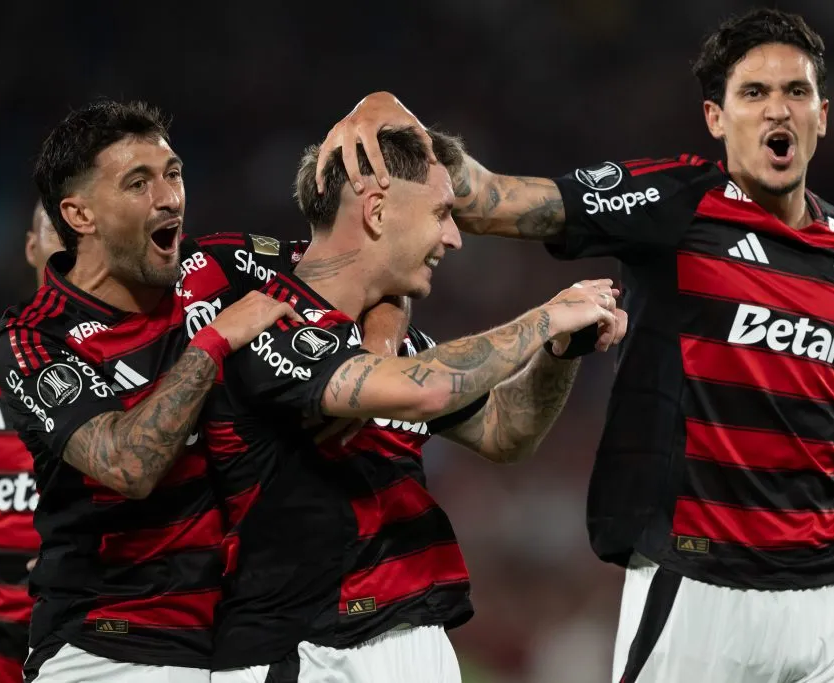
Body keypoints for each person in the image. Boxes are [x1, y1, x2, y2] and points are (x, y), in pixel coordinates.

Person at [323, 8, 834, 682]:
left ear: (823, 112)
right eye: (752, 94)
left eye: (795, 92)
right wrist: (391, 116)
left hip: (833, 592)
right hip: (705, 582)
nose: (776, 110)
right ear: (716, 118)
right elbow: (488, 198)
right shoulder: (676, 202)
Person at [207, 127, 627, 683]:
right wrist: (543, 319)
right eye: (441, 213)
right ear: (377, 210)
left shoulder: (401, 344)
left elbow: (507, 433)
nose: (454, 237)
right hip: (305, 648)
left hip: (410, 634)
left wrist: (560, 351)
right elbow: (424, 389)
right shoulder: (267, 320)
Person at [0, 100, 309, 683]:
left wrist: (384, 339)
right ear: (79, 215)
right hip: (107, 646)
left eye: (174, 173)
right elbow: (127, 464)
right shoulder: (35, 339)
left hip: (238, 643)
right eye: (139, 183)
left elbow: (360, 266)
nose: (170, 199)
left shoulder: (218, 266)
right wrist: (213, 344)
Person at [0, 203, 62, 683]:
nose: (68, 241)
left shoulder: (138, 358)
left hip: (90, 635)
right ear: (31, 246)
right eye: (55, 228)